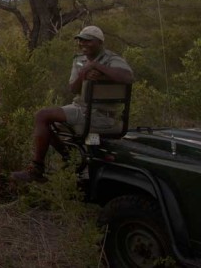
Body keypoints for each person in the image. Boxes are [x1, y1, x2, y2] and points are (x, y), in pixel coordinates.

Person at [11, 25, 134, 182]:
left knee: (42, 116)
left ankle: (37, 169)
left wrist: (97, 67)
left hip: (99, 114)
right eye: (80, 40)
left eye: (88, 41)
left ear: (99, 42)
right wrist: (83, 74)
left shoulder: (111, 59)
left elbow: (127, 77)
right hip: (79, 108)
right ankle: (69, 157)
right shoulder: (79, 60)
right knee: (45, 120)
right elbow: (73, 89)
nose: (83, 44)